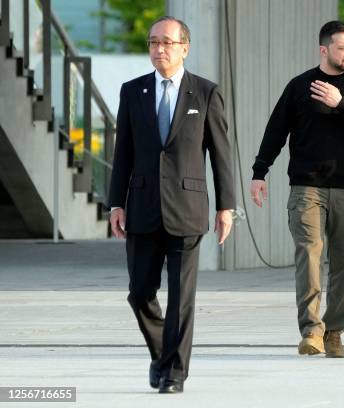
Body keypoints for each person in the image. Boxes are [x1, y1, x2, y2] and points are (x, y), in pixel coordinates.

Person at [108, 16, 235, 393]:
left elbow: (221, 154)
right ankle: (162, 354)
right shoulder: (133, 92)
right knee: (140, 293)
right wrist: (116, 204)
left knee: (181, 299)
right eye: (152, 43)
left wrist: (226, 206)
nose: (159, 49)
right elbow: (123, 153)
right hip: (142, 207)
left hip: (188, 207)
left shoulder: (206, 93)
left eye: (166, 42)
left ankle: (175, 373)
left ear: (185, 47)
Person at [250, 21, 344, 358]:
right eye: (342, 48)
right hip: (307, 188)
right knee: (309, 256)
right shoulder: (299, 86)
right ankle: (311, 331)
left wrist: (343, 104)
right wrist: (259, 172)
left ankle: (334, 331)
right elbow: (275, 131)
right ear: (324, 50)